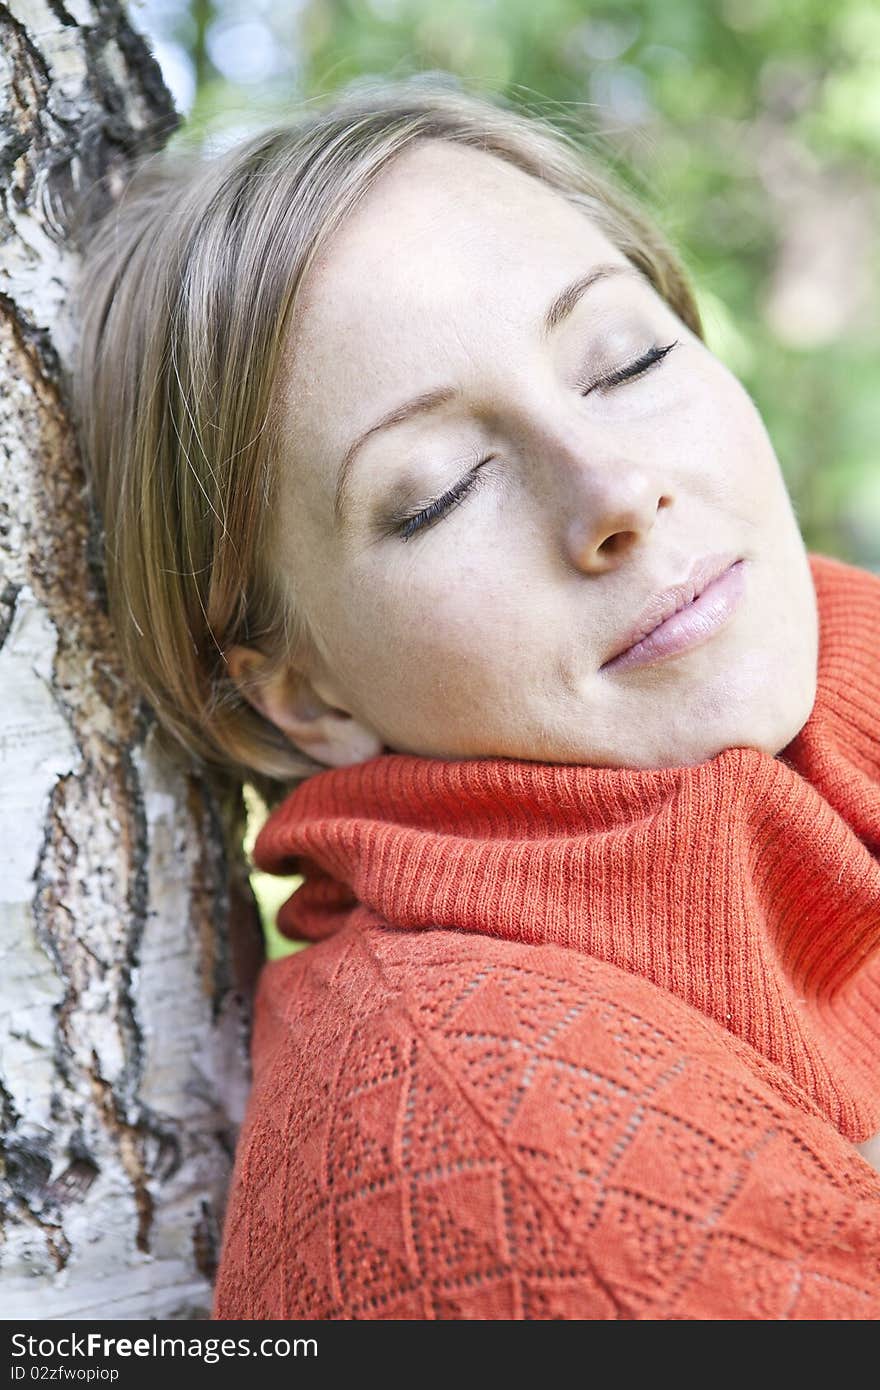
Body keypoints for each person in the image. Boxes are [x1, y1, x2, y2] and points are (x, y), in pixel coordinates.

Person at [71, 77, 880, 1320]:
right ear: (301, 696)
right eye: (442, 488)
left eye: (626, 358)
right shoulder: (490, 1154)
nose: (614, 489)